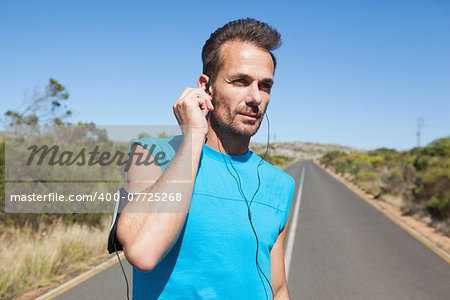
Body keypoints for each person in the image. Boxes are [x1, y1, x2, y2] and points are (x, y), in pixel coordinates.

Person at [108, 18, 295, 299]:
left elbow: (277, 289)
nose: (255, 97)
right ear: (205, 86)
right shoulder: (150, 155)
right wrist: (194, 135)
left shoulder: (280, 184)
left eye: (265, 85)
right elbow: (143, 251)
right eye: (240, 81)